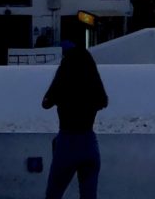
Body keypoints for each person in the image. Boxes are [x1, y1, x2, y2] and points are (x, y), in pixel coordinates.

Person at [42, 46, 108, 199]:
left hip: (67, 144)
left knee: (53, 194)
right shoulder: (93, 84)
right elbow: (103, 101)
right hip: (89, 144)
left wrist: (60, 76)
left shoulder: (62, 83)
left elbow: (45, 103)